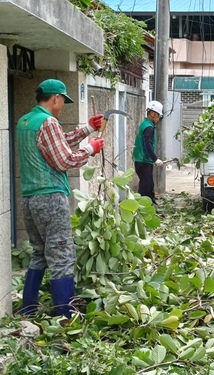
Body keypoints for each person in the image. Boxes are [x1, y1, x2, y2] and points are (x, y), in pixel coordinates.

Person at [17, 79, 105, 318]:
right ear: (55, 98)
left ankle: (28, 309)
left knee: (39, 253)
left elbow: (55, 145)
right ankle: (65, 318)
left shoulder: (25, 121)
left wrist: (87, 129)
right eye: (64, 100)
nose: (63, 105)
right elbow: (63, 160)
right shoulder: (48, 121)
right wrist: (90, 149)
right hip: (51, 198)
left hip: (29, 198)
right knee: (62, 255)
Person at [132, 100, 164, 204]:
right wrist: (155, 159)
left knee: (149, 185)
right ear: (153, 113)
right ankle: (140, 208)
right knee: (145, 187)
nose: (159, 118)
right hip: (144, 160)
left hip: (142, 159)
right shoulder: (148, 128)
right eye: (158, 115)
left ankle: (151, 204)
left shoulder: (145, 124)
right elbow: (147, 145)